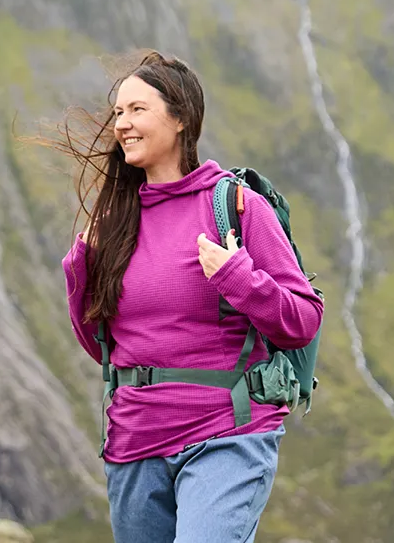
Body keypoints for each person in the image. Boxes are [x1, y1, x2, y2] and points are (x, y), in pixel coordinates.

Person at [53, 51, 325, 542]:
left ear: (180, 118)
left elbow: (303, 318)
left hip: (227, 432)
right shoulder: (114, 223)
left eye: (138, 110)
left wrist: (240, 278)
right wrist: (80, 270)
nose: (123, 124)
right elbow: (103, 348)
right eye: (118, 112)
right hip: (134, 441)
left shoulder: (235, 205)